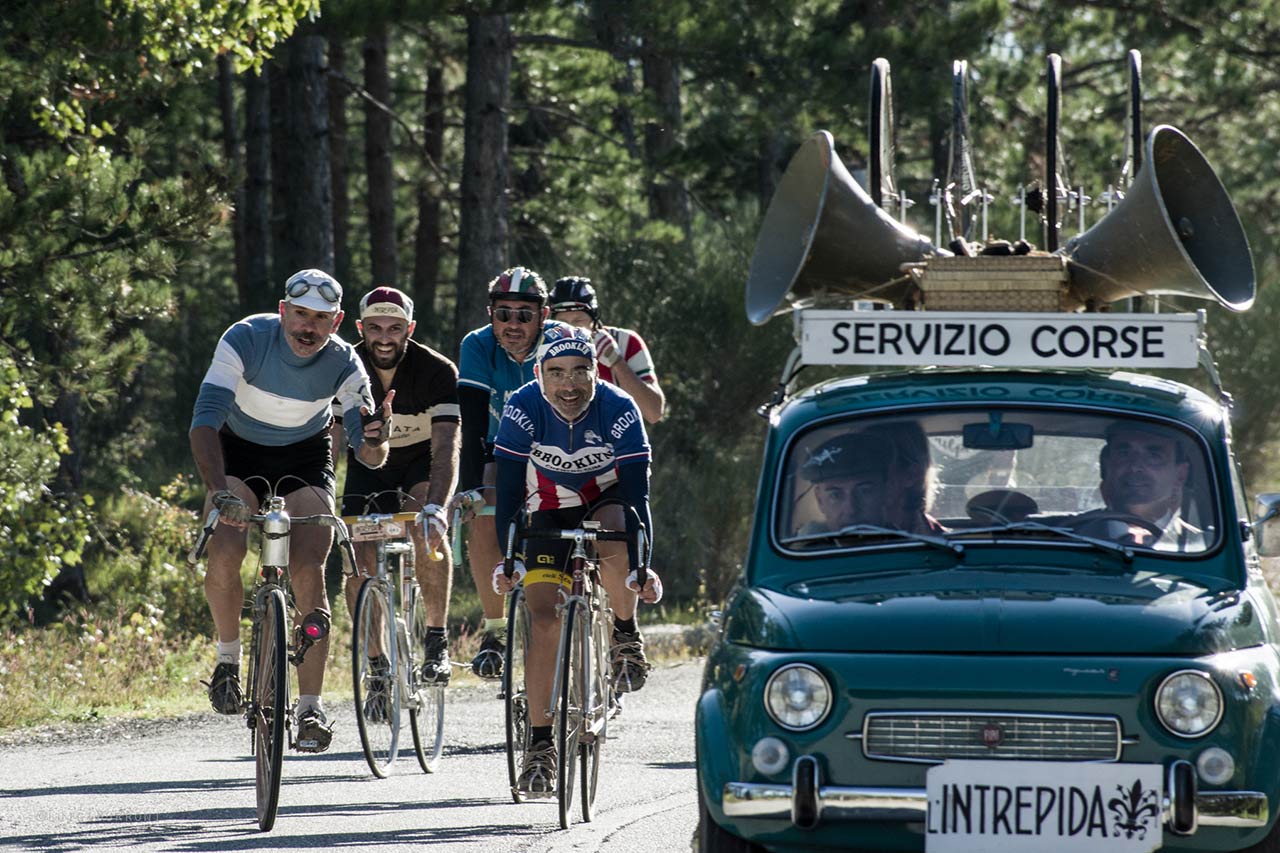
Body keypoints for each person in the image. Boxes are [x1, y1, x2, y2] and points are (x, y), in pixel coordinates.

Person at [190, 269, 392, 753]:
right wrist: (218, 492)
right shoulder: (245, 338)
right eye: (300, 315)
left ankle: (310, 707)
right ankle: (227, 659)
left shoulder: (346, 363)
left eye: (321, 319)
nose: (308, 327)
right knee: (226, 547)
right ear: (283, 311)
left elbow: (369, 452)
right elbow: (204, 421)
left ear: (337, 321)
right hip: (238, 449)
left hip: (305, 455)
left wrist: (378, 436)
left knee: (308, 566)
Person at [491, 324, 661, 796]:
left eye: (580, 371)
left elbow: (637, 500)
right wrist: (509, 559)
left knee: (614, 537)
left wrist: (641, 566)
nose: (569, 384)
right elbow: (506, 494)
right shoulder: (522, 407)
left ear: (594, 372)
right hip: (547, 509)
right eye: (557, 373)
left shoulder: (620, 408)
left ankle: (624, 633)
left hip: (608, 498)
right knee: (543, 617)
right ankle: (541, 744)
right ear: (539, 375)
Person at [332, 286, 459, 701]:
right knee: (359, 559)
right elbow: (332, 444)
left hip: (421, 464)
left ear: (411, 328)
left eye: (395, 327)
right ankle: (377, 665)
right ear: (359, 328)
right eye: (375, 327)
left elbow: (445, 449)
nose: (384, 337)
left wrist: (438, 508)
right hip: (370, 465)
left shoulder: (437, 371)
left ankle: (436, 639)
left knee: (426, 532)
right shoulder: (342, 365)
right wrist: (321, 495)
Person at [452, 267, 562, 679]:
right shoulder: (478, 346)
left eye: (524, 315)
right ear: (491, 314)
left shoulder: (563, 342)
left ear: (543, 315)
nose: (513, 324)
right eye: (503, 314)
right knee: (483, 507)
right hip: (502, 446)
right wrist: (470, 490)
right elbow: (474, 423)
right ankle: (495, 630)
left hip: (561, 445)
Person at [548, 276, 665, 424]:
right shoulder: (543, 349)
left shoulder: (626, 342)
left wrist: (617, 362)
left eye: (578, 321)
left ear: (594, 320)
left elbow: (653, 413)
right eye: (562, 323)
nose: (571, 330)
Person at [1080, 422, 1205, 551]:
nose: (1135, 467)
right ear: (1107, 467)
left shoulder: (1200, 547)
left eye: (1154, 456)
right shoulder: (1069, 537)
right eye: (1124, 453)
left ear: (1180, 475)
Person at [796, 432, 896, 532]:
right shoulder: (801, 547)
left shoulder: (906, 544)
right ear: (820, 500)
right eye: (835, 495)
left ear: (887, 491)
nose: (851, 510)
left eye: (864, 491)